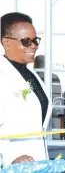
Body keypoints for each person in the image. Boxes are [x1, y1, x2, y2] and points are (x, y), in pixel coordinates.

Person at [0, 12, 52, 167]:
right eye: (26, 41)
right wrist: (9, 156)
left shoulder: (30, 74)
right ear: (6, 42)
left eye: (35, 40)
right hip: (13, 165)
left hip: (38, 163)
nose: (34, 46)